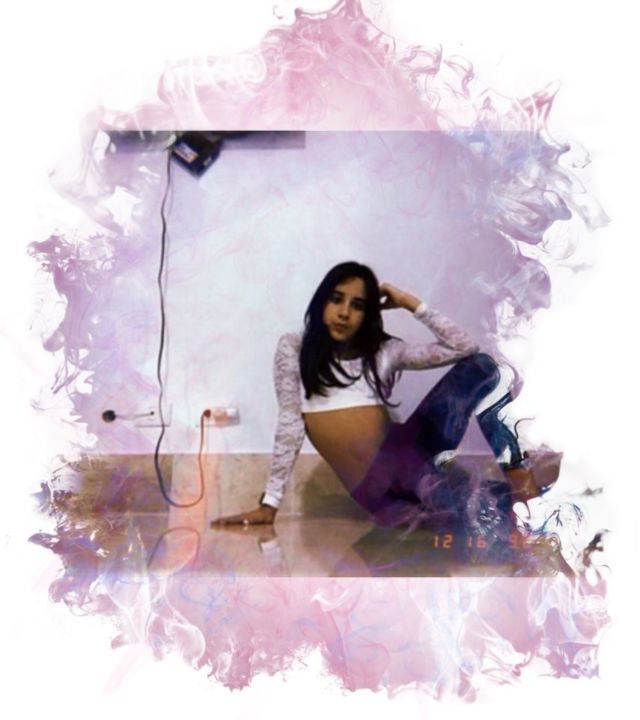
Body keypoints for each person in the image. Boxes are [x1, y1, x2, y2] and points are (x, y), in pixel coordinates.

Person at [212, 262, 558, 528]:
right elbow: (289, 425)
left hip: (413, 455)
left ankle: (518, 473)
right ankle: (524, 493)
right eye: (336, 299)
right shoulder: (294, 348)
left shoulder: (384, 351)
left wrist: (409, 302)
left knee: (481, 367)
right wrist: (269, 504)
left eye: (358, 305)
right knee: (483, 512)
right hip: (387, 491)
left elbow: (464, 347)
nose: (344, 312)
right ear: (321, 303)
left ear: (369, 314)